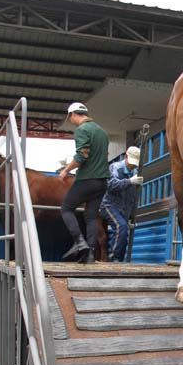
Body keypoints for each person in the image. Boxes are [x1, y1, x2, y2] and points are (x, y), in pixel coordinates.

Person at [59, 103, 110, 263]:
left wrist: (65, 170)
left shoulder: (82, 130)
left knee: (66, 208)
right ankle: (90, 255)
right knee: (91, 217)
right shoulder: (102, 132)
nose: (71, 120)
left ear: (74, 114)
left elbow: (82, 155)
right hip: (102, 182)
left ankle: (80, 243)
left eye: (70, 117)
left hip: (87, 180)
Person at [99, 146, 144, 262]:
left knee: (123, 232)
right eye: (131, 162)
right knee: (121, 226)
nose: (132, 166)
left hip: (124, 209)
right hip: (109, 205)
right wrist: (129, 181)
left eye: (135, 164)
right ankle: (114, 258)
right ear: (126, 157)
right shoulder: (115, 167)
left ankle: (118, 259)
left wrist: (132, 216)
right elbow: (110, 185)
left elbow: (133, 197)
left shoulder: (135, 173)